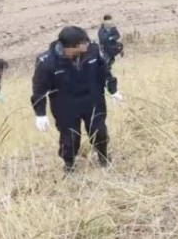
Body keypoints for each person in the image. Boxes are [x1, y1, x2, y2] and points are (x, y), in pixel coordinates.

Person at [32, 27, 122, 173]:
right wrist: (40, 113)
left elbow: (104, 71)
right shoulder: (47, 63)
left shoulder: (92, 50)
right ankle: (69, 164)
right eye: (82, 43)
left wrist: (113, 90)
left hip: (92, 99)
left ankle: (103, 157)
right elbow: (39, 89)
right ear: (70, 47)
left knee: (99, 131)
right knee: (70, 138)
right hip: (65, 105)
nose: (87, 44)